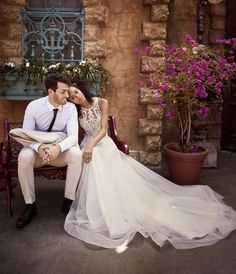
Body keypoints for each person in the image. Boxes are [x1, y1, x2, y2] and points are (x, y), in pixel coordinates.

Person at [64, 83, 236, 252]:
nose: (76, 97)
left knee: (96, 159)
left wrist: (90, 146)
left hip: (101, 143)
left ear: (81, 89)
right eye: (72, 97)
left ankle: (111, 204)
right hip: (87, 144)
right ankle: (97, 206)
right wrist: (85, 146)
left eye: (76, 92)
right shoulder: (75, 111)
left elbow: (103, 130)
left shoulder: (101, 102)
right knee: (89, 162)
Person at [16, 73, 82, 229]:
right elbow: (27, 135)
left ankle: (68, 201)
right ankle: (30, 205)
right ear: (51, 92)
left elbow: (73, 137)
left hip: (59, 150)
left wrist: (58, 148)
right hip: (39, 151)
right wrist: (40, 148)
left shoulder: (71, 108)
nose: (68, 95)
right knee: (24, 157)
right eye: (63, 91)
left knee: (76, 154)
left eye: (67, 91)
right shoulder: (34, 106)